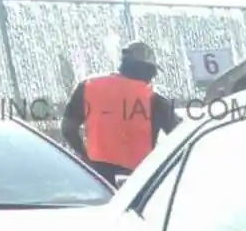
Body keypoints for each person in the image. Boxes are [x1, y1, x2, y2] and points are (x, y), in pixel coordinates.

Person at [61, 41, 179, 181]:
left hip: (98, 180)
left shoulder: (88, 87)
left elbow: (68, 129)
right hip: (139, 182)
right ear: (148, 71)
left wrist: (86, 159)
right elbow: (182, 135)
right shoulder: (155, 101)